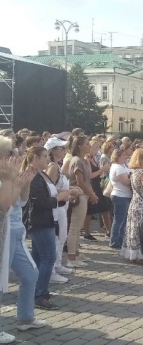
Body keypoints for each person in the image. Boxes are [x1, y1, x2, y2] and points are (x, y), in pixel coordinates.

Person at [0, 139, 46, 344]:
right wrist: (15, 183)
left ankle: (26, 318)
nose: (18, 157)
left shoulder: (11, 175)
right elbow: (4, 206)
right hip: (4, 234)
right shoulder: (4, 177)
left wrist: (24, 184)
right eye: (13, 153)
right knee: (1, 284)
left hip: (16, 232)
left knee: (30, 273)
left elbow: (23, 201)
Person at [23, 147, 70, 309]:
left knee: (38, 258)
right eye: (43, 156)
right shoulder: (34, 175)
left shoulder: (42, 174)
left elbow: (50, 195)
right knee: (48, 257)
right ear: (35, 157)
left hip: (47, 219)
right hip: (40, 222)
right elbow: (38, 202)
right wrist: (58, 199)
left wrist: (64, 195)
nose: (46, 159)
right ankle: (40, 295)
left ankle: (35, 292)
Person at [44, 137, 81, 284]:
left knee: (62, 237)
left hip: (62, 205)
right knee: (57, 238)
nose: (64, 150)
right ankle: (52, 270)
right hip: (57, 206)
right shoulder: (53, 166)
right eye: (60, 148)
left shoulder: (57, 165)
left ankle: (57, 264)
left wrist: (70, 189)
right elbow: (49, 188)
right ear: (53, 150)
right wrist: (68, 191)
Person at [67, 136, 95, 268]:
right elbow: (80, 182)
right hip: (79, 195)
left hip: (84, 195)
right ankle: (71, 257)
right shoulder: (77, 160)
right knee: (75, 227)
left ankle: (76, 253)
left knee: (78, 227)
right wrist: (92, 195)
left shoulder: (83, 160)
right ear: (79, 146)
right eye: (87, 144)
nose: (89, 146)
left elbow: (87, 181)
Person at [109, 148, 132, 249]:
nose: (125, 156)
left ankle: (121, 239)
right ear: (117, 156)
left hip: (125, 195)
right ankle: (114, 241)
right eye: (123, 155)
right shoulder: (117, 167)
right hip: (120, 195)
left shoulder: (123, 166)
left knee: (123, 221)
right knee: (119, 220)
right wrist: (132, 177)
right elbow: (126, 182)